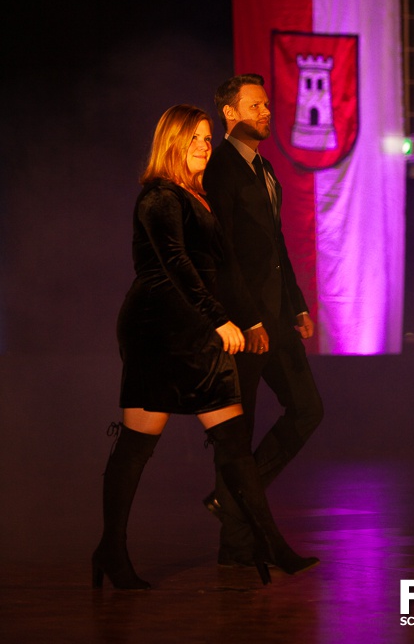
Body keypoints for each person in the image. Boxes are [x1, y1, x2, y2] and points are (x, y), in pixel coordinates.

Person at [92, 104, 318, 590]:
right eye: (192, 137)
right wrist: (221, 320)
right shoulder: (159, 197)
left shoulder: (199, 197)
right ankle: (111, 549)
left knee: (234, 443)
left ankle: (269, 544)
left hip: (197, 331)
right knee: (136, 445)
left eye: (206, 137)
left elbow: (227, 266)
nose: (202, 145)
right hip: (158, 331)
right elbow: (176, 264)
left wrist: (240, 316)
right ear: (171, 143)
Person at [202, 75, 324, 566]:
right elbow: (223, 253)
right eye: (255, 106)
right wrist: (248, 319)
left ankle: (230, 502)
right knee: (239, 428)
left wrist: (297, 305)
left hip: (275, 316)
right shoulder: (220, 168)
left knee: (307, 408)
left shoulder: (265, 167)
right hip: (244, 322)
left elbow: (275, 245)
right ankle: (236, 545)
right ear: (230, 114)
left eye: (267, 105)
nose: (266, 112)